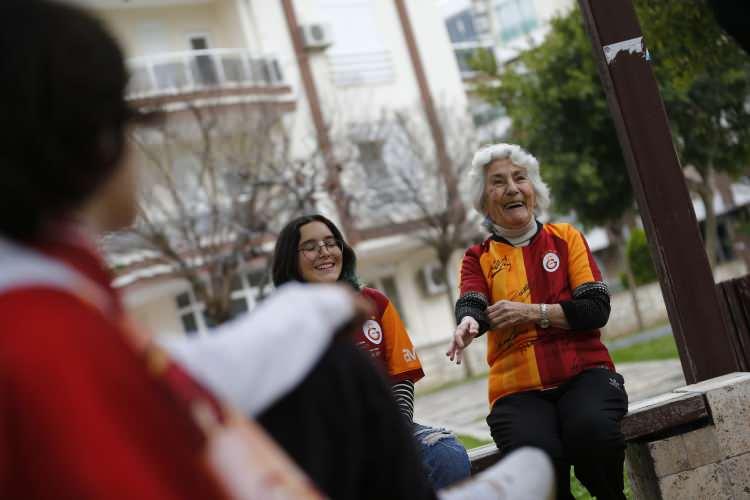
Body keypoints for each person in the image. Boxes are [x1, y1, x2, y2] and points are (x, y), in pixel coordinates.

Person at [447, 143, 629, 500]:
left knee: (593, 431)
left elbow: (595, 308)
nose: (512, 188)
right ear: (485, 202)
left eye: (520, 178)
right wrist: (468, 322)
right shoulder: (477, 257)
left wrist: (533, 312)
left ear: (534, 191)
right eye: (498, 182)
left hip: (585, 373)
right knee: (537, 461)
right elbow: (473, 302)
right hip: (517, 391)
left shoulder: (566, 238)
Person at [271, 214, 472, 490]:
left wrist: (393, 435)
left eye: (331, 243)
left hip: (387, 428)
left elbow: (401, 377)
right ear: (289, 260)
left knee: (447, 455)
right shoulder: (281, 321)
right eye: (310, 246)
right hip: (326, 447)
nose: (324, 252)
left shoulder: (374, 303)